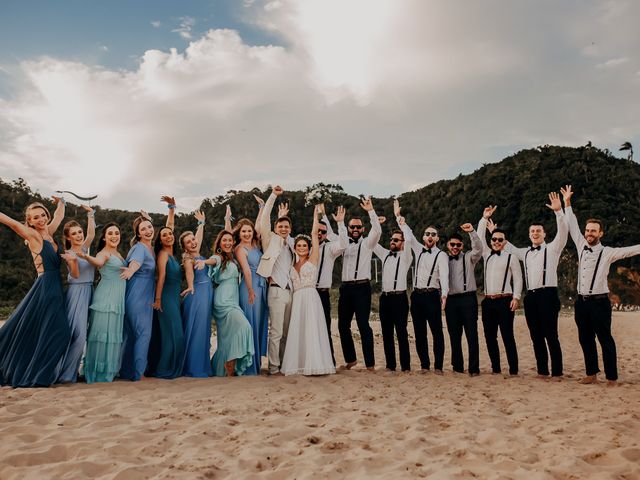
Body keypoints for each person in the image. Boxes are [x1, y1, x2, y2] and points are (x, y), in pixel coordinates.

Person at [562, 185, 640, 386]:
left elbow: (630, 251)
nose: (589, 233)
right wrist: (567, 203)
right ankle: (591, 374)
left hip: (600, 303)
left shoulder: (608, 252)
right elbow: (572, 225)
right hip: (581, 303)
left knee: (605, 340)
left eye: (593, 231)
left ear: (601, 233)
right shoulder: (580, 245)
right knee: (585, 339)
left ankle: (612, 377)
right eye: (587, 230)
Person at [0, 198, 76, 387]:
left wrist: (61, 203)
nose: (41, 219)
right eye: (35, 217)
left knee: (41, 331)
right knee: (62, 334)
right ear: (30, 221)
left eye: (43, 215)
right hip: (46, 287)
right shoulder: (33, 236)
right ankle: (39, 376)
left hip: (55, 287)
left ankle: (40, 372)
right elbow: (11, 222)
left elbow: (58, 217)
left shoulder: (49, 233)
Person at [497, 192, 568, 379]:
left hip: (548, 295)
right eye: (532, 231)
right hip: (531, 298)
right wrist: (494, 233)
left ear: (544, 234)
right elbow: (508, 246)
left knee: (551, 336)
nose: (535, 234)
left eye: (538, 231)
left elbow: (563, 233)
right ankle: (542, 371)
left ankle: (557, 372)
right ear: (529, 235)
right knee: (536, 337)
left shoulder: (553, 249)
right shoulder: (525, 253)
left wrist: (559, 212)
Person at [281, 206, 336, 376]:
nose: (302, 247)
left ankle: (315, 364)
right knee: (298, 331)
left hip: (311, 297)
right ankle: (298, 364)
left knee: (311, 329)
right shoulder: (292, 263)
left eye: (305, 245)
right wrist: (282, 217)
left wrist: (315, 215)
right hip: (297, 298)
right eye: (299, 245)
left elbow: (314, 234)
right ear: (295, 247)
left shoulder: (313, 258)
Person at [397, 199, 449, 374]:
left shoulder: (441, 255)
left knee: (437, 333)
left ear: (437, 238)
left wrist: (445, 295)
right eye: (427, 233)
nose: (430, 236)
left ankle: (439, 366)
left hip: (433, 295)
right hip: (417, 297)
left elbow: (444, 276)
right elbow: (408, 234)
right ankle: (425, 365)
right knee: (420, 333)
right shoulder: (418, 249)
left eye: (433, 234)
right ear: (424, 236)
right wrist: (399, 217)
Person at [78, 223, 126, 383]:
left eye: (117, 233)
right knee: (102, 334)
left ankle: (108, 370)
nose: (114, 236)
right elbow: (98, 262)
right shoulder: (104, 253)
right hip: (107, 297)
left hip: (117, 298)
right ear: (104, 237)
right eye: (110, 233)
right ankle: (96, 372)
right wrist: (85, 256)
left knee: (112, 334)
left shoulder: (118, 253)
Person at [337, 197, 382, 370]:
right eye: (352, 227)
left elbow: (377, 231)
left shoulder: (368, 243)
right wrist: (336, 221)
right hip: (346, 288)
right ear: (348, 229)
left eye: (358, 227)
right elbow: (333, 235)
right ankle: (351, 360)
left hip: (362, 288)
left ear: (363, 229)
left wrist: (371, 211)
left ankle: (370, 364)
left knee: (363, 325)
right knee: (343, 325)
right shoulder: (343, 244)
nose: (355, 229)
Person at [477, 206, 523, 376]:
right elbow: (479, 236)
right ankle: (495, 368)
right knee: (490, 337)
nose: (496, 241)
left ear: (505, 242)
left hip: (505, 300)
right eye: (494, 239)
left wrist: (516, 298)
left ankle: (513, 369)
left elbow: (518, 279)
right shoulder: (486, 254)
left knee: (507, 336)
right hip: (488, 301)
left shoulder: (511, 257)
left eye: (500, 240)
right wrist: (484, 218)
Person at [257, 185, 295, 375]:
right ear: (275, 228)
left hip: (291, 292)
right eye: (280, 226)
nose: (283, 228)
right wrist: (273, 196)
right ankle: (273, 367)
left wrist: (284, 214)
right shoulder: (269, 239)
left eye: (286, 226)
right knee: (277, 332)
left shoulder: (293, 243)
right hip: (276, 290)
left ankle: (284, 364)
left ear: (290, 229)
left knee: (287, 332)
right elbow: (264, 219)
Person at [204, 230, 254, 376]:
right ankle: (229, 362)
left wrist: (227, 219)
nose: (227, 243)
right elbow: (213, 261)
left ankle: (223, 370)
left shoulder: (232, 258)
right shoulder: (219, 257)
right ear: (219, 243)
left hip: (233, 299)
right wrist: (203, 262)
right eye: (224, 240)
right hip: (223, 300)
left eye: (230, 240)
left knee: (226, 337)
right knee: (245, 327)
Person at [229, 200, 268, 375]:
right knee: (250, 324)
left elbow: (259, 226)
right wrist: (251, 291)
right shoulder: (239, 248)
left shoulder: (256, 245)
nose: (246, 233)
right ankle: (248, 365)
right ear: (240, 233)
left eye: (249, 230)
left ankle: (257, 364)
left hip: (261, 287)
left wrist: (261, 209)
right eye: (243, 231)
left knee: (258, 324)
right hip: (249, 288)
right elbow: (246, 270)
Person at [58, 205, 96, 383]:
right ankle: (66, 374)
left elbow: (92, 234)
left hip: (89, 290)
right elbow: (75, 275)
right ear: (68, 237)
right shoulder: (69, 253)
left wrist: (90, 214)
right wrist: (73, 261)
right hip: (77, 292)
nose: (79, 235)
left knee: (85, 334)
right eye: (74, 233)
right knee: (78, 335)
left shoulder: (85, 248)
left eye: (79, 232)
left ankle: (74, 371)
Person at [373, 213, 413, 372]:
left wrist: (401, 223)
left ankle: (406, 367)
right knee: (387, 333)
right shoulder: (385, 255)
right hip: (385, 299)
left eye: (396, 240)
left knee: (402, 333)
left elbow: (409, 240)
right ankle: (391, 365)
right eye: (391, 239)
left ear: (402, 243)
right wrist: (377, 224)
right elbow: (373, 243)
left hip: (400, 299)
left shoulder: (406, 257)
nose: (392, 242)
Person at [443, 225, 482, 376]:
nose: (455, 247)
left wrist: (472, 232)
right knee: (454, 335)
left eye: (458, 245)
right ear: (447, 245)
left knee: (472, 335)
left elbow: (478, 248)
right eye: (452, 244)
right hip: (451, 301)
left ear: (462, 246)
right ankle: (457, 367)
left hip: (468, 299)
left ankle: (474, 368)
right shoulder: (443, 259)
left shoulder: (469, 257)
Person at [149, 223, 185, 379]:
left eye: (170, 233)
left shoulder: (174, 256)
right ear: (160, 240)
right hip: (165, 298)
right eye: (164, 235)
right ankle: (163, 369)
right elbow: (161, 277)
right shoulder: (163, 254)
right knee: (174, 335)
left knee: (172, 334)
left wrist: (172, 210)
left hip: (175, 298)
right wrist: (158, 300)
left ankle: (167, 367)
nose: (169, 236)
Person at [180, 211, 213, 378]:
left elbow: (198, 238)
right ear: (184, 247)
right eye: (189, 242)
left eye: (193, 240)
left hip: (206, 295)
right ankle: (194, 367)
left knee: (204, 330)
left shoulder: (198, 254)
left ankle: (202, 365)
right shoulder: (188, 258)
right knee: (197, 331)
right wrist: (191, 286)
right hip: (197, 295)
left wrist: (201, 224)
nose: (193, 242)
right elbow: (189, 274)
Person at [315, 204, 348, 364]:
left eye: (323, 232)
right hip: (306, 293)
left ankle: (329, 362)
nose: (320, 234)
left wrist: (340, 224)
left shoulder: (330, 248)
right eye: (318, 231)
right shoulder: (303, 245)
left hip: (322, 294)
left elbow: (343, 244)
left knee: (325, 328)